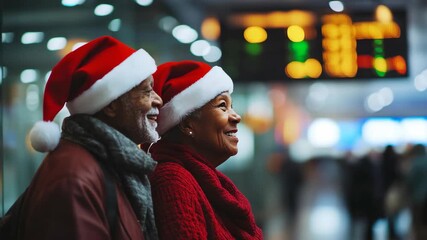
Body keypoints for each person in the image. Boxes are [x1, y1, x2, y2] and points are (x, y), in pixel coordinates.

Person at [18, 36, 162, 239]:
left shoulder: (111, 164)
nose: (159, 99)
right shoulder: (74, 178)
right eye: (147, 91)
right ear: (111, 104)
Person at [147, 60, 263, 239]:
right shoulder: (173, 180)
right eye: (222, 106)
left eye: (231, 106)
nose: (236, 117)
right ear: (187, 124)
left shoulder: (199, 178)